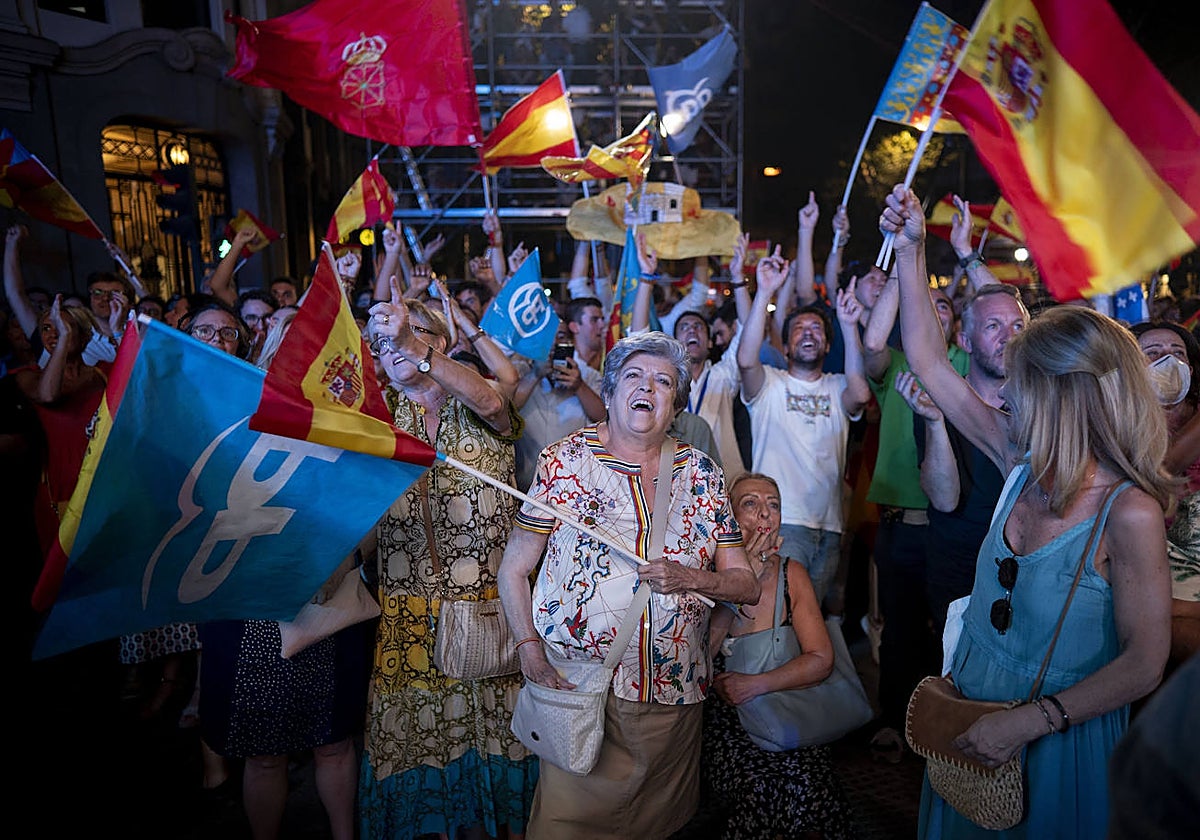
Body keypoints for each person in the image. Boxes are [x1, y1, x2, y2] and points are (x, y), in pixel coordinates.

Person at [881, 185, 1173, 839]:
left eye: (1021, 380)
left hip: (1058, 740)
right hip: (969, 714)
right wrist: (909, 249)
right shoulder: (1018, 456)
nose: (1003, 391)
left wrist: (1032, 720)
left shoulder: (1128, 514)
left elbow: (1146, 659)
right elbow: (928, 359)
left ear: (1065, 396)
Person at [498, 330, 760, 840]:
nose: (648, 388)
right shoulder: (563, 462)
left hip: (672, 696)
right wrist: (529, 650)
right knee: (564, 827)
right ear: (613, 389)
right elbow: (513, 569)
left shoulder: (703, 474)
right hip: (580, 686)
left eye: (663, 381)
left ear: (676, 403)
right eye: (635, 376)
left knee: (656, 825)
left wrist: (690, 577)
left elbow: (745, 585)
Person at [359, 279, 536, 840]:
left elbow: (492, 398)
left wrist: (412, 343)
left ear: (439, 344)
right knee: (417, 741)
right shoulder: (375, 418)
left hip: (487, 610)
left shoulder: (479, 404)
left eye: (409, 337)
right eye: (384, 342)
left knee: (496, 739)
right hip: (407, 616)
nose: (395, 350)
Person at [198, 306, 369, 840]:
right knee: (265, 754)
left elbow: (364, 518)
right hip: (251, 609)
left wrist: (335, 552)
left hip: (327, 599)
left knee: (335, 741)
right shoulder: (225, 426)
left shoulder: (346, 426)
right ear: (266, 354)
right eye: (287, 344)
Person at [702, 472, 855, 839]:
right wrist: (743, 580)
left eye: (773, 505)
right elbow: (697, 659)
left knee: (809, 779)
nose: (764, 515)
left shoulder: (792, 574)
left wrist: (756, 684)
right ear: (729, 517)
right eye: (750, 504)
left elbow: (821, 658)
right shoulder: (706, 572)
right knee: (758, 786)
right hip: (728, 720)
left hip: (783, 703)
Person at [737, 247, 870, 606]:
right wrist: (764, 291)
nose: (808, 334)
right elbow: (745, 359)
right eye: (798, 329)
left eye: (816, 329)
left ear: (827, 344)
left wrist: (847, 324)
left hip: (828, 528)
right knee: (777, 623)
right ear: (787, 344)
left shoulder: (837, 385)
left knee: (806, 626)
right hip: (780, 524)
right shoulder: (770, 384)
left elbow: (860, 392)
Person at [1131, 320, 1200, 671]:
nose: (1168, 363)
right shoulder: (1118, 435)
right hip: (1163, 606)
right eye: (1153, 354)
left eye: (1178, 354)